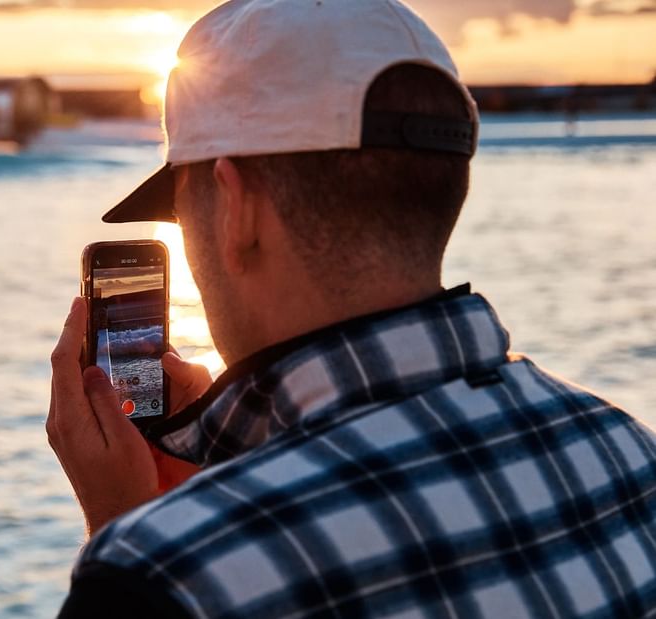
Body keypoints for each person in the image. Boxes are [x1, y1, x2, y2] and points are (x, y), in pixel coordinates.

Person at [46, 0, 656, 617]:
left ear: (236, 210)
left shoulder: (170, 575)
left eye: (185, 211)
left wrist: (127, 525)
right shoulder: (631, 453)